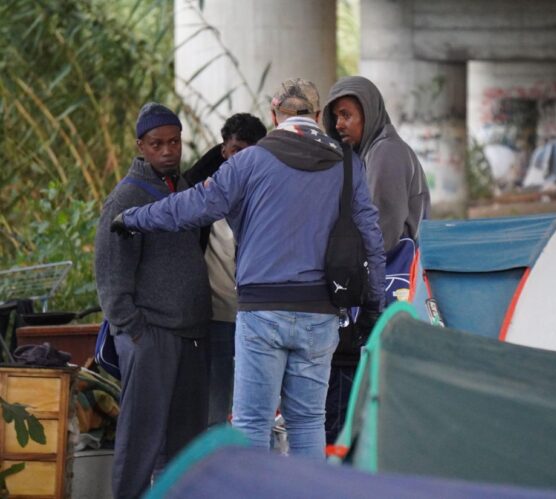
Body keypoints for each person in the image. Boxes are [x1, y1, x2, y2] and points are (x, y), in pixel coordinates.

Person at [110, 78, 385, 459]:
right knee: (307, 422)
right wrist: (373, 305)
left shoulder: (250, 161)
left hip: (262, 312)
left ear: (274, 115)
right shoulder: (348, 165)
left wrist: (135, 218)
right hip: (321, 312)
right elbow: (371, 238)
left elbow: (194, 206)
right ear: (318, 116)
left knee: (252, 422)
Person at [94, 102, 211, 499]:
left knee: (185, 442)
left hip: (190, 333)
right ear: (140, 146)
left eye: (174, 142)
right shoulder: (127, 197)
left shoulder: (182, 191)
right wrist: (135, 331)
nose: (167, 151)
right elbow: (111, 274)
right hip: (151, 336)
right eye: (157, 144)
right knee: (141, 438)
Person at [321, 75, 431, 444]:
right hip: (381, 291)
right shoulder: (370, 153)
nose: (339, 124)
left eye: (347, 115)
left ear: (368, 113)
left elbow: (380, 237)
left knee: (352, 394)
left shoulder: (385, 153)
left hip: (380, 292)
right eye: (335, 116)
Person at [183, 113, 267, 426]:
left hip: (259, 312)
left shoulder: (268, 191)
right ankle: (217, 461)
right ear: (224, 150)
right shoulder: (204, 191)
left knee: (258, 402)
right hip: (217, 311)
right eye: (235, 150)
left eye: (249, 152)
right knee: (216, 398)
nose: (241, 159)